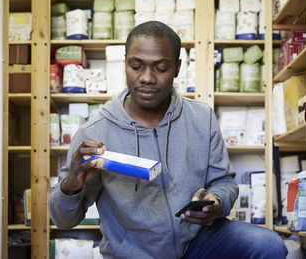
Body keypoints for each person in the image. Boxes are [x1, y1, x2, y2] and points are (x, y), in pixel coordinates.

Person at [49, 21, 287, 259]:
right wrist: (71, 183)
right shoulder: (94, 132)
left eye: (160, 68)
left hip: (199, 243)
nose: (147, 78)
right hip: (134, 254)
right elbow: (63, 220)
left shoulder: (201, 117)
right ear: (125, 64)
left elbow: (224, 182)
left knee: (267, 244)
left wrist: (216, 201)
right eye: (136, 66)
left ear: (177, 67)